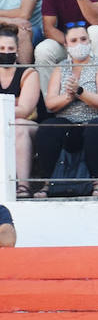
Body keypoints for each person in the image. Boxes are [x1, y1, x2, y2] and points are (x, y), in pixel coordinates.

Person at [35, 22, 98, 197]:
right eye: (74, 40)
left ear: (90, 42)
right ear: (66, 45)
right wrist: (69, 96)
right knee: (48, 128)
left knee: (96, 128)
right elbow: (50, 104)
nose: (80, 44)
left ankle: (97, 182)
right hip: (72, 125)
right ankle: (47, 183)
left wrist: (80, 92)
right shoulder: (61, 68)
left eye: (84, 39)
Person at [0, 26, 40, 197]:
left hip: (29, 126)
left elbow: (24, 110)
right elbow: (18, 107)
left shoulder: (28, 73)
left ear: (17, 51)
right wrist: (12, 106)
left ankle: (23, 185)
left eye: (10, 48)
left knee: (18, 126)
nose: (6, 52)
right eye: (1, 48)